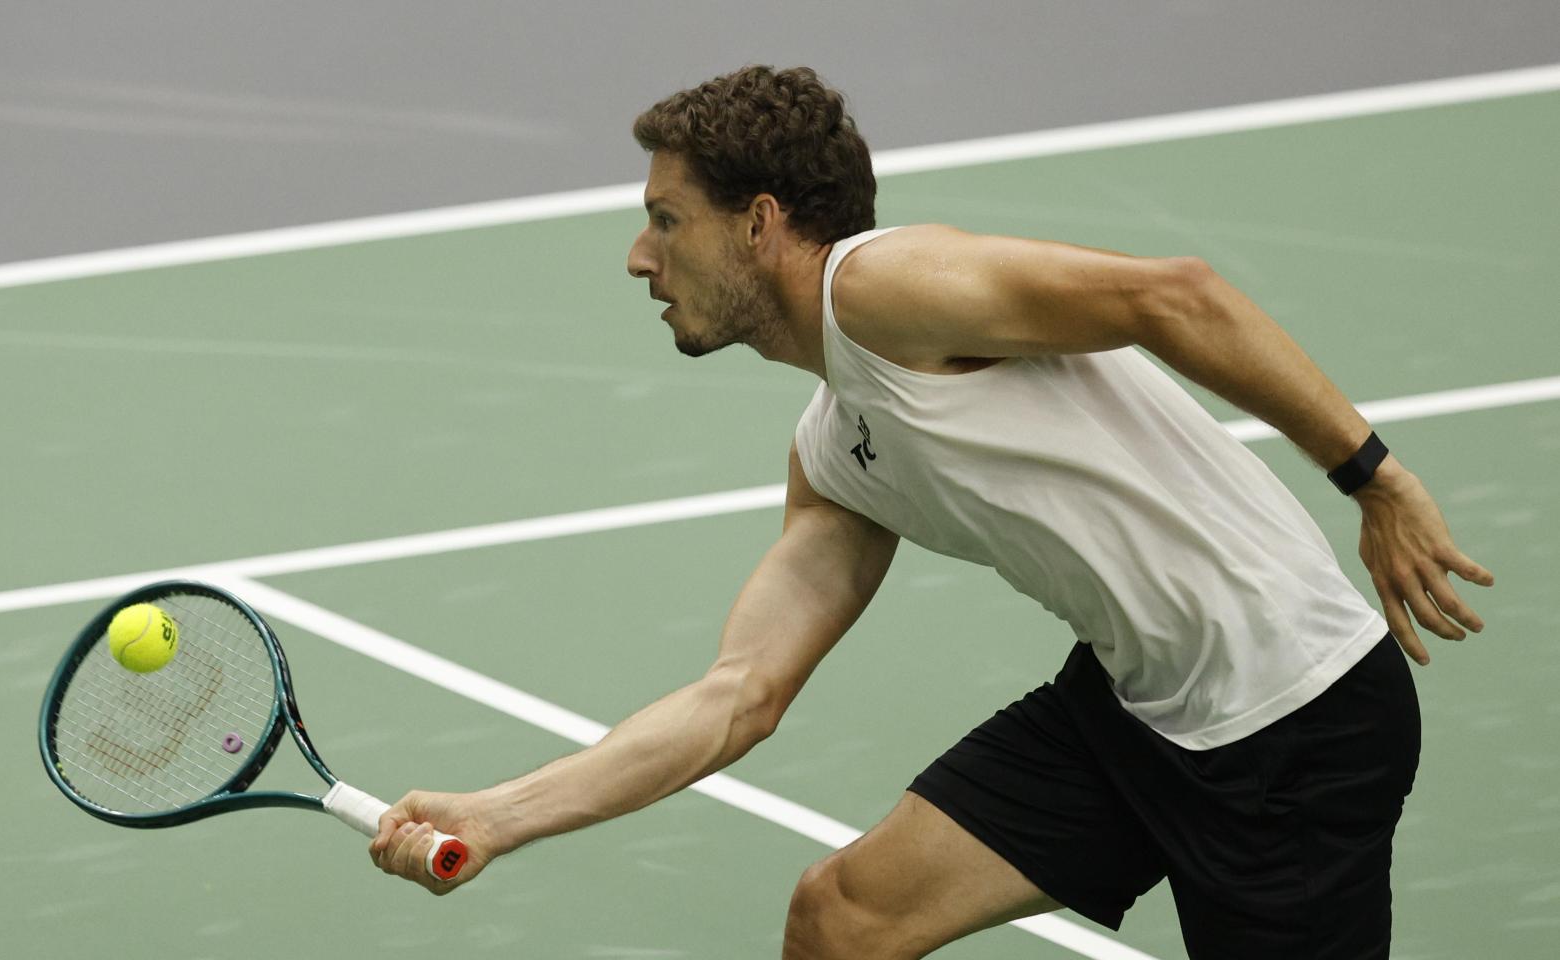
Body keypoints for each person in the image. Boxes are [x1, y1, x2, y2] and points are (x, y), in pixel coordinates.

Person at [368, 65, 1494, 959]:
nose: (637, 256)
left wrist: (1372, 476)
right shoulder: (835, 449)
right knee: (842, 922)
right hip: (1133, 709)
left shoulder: (881, 288)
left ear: (758, 222)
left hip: (1295, 721)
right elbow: (735, 697)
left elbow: (1174, 294)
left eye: (667, 220)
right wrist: (502, 812)